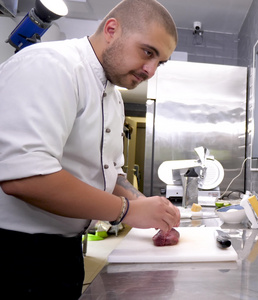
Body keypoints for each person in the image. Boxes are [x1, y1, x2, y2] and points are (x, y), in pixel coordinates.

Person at [0, 0, 180, 298]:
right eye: (148, 52)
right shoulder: (51, 64)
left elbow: (110, 174)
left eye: (159, 62)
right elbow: (24, 177)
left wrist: (151, 207)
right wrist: (128, 211)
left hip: (63, 251)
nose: (151, 70)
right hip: (15, 252)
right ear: (112, 30)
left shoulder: (113, 96)